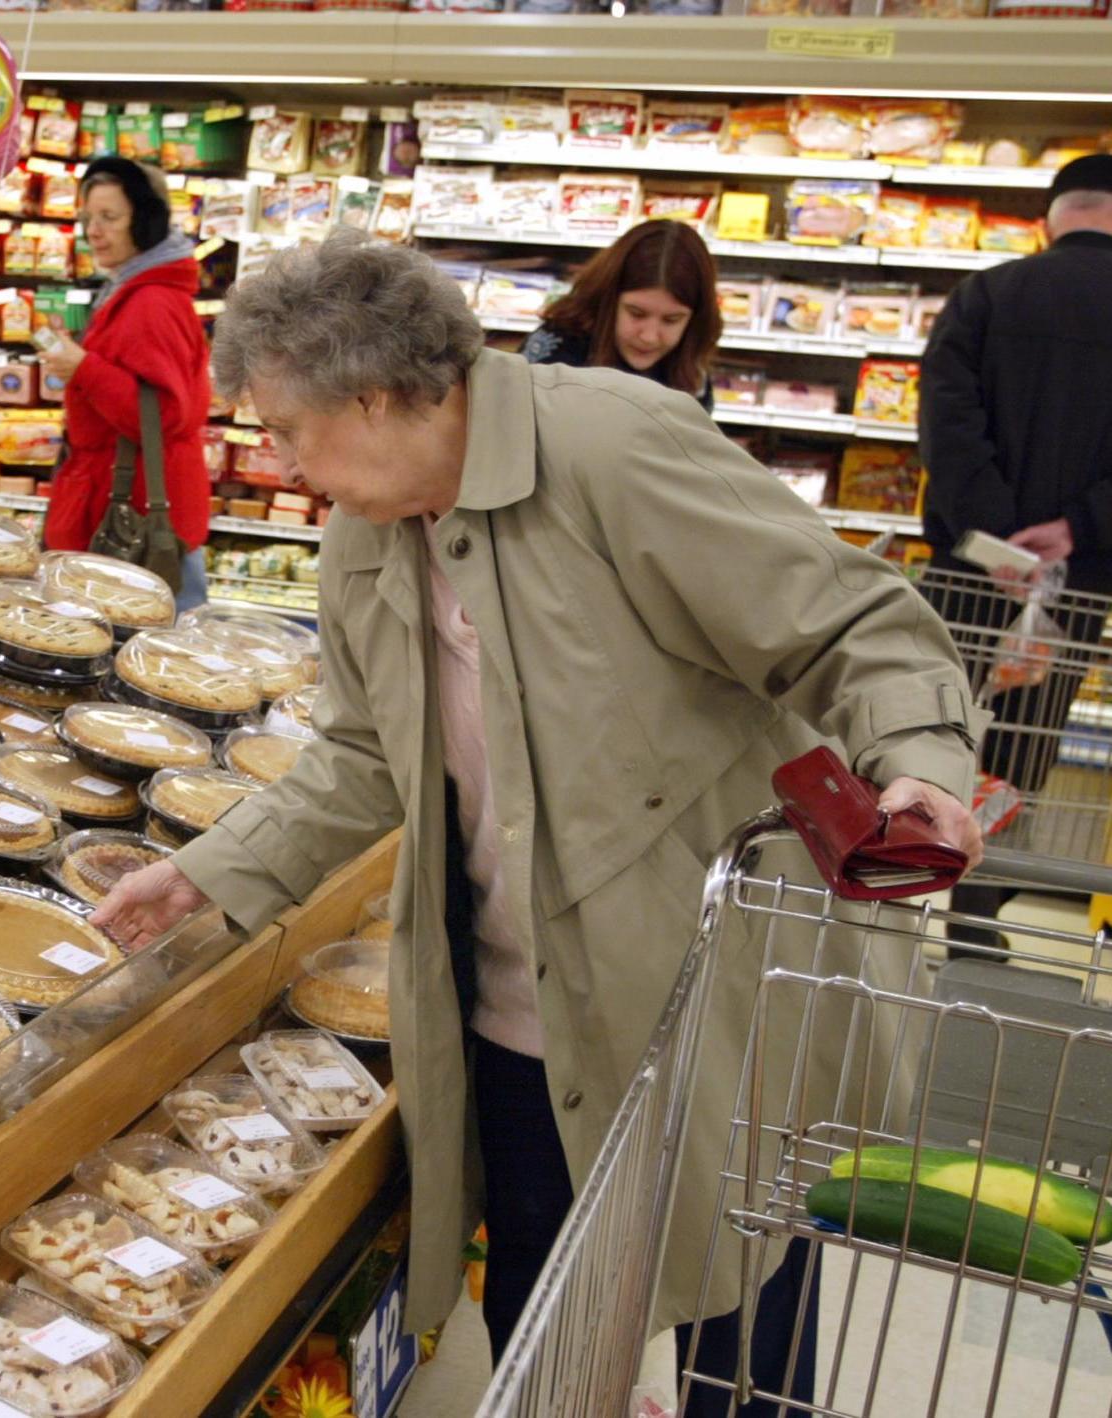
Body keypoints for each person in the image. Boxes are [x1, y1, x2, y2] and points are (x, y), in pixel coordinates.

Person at [91, 230, 986, 1411]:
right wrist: (209, 873)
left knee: (741, 1312)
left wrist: (920, 765)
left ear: (371, 397)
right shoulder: (365, 531)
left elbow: (852, 624)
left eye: (287, 429)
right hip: (518, 1010)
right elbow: (365, 756)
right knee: (544, 1311)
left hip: (708, 994)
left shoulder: (614, 446)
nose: (281, 463)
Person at [919, 153, 1112, 940]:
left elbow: (944, 420)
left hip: (969, 571)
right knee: (1021, 748)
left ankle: (884, 883)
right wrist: (1078, 529)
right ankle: (975, 904)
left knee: (926, 719)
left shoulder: (986, 293)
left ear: (1049, 217)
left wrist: (997, 539)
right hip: (1077, 585)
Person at [38, 157, 213, 611]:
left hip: (135, 516)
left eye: (109, 217)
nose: (94, 231)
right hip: (127, 505)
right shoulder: (135, 288)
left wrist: (84, 368)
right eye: (88, 218)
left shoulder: (151, 301)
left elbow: (166, 415)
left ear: (147, 220)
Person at [522, 217, 721, 410]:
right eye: (636, 313)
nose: (649, 337)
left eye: (671, 320)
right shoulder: (554, 354)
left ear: (695, 320)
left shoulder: (691, 367)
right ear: (608, 301)